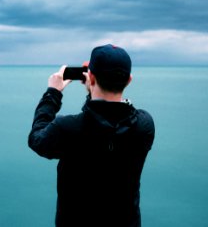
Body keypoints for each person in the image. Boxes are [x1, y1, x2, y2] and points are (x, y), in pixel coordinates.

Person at [28, 44, 155, 227]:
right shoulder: (145, 126)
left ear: (91, 77)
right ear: (129, 80)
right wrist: (94, 90)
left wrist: (53, 93)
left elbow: (37, 139)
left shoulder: (67, 129)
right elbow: (108, 122)